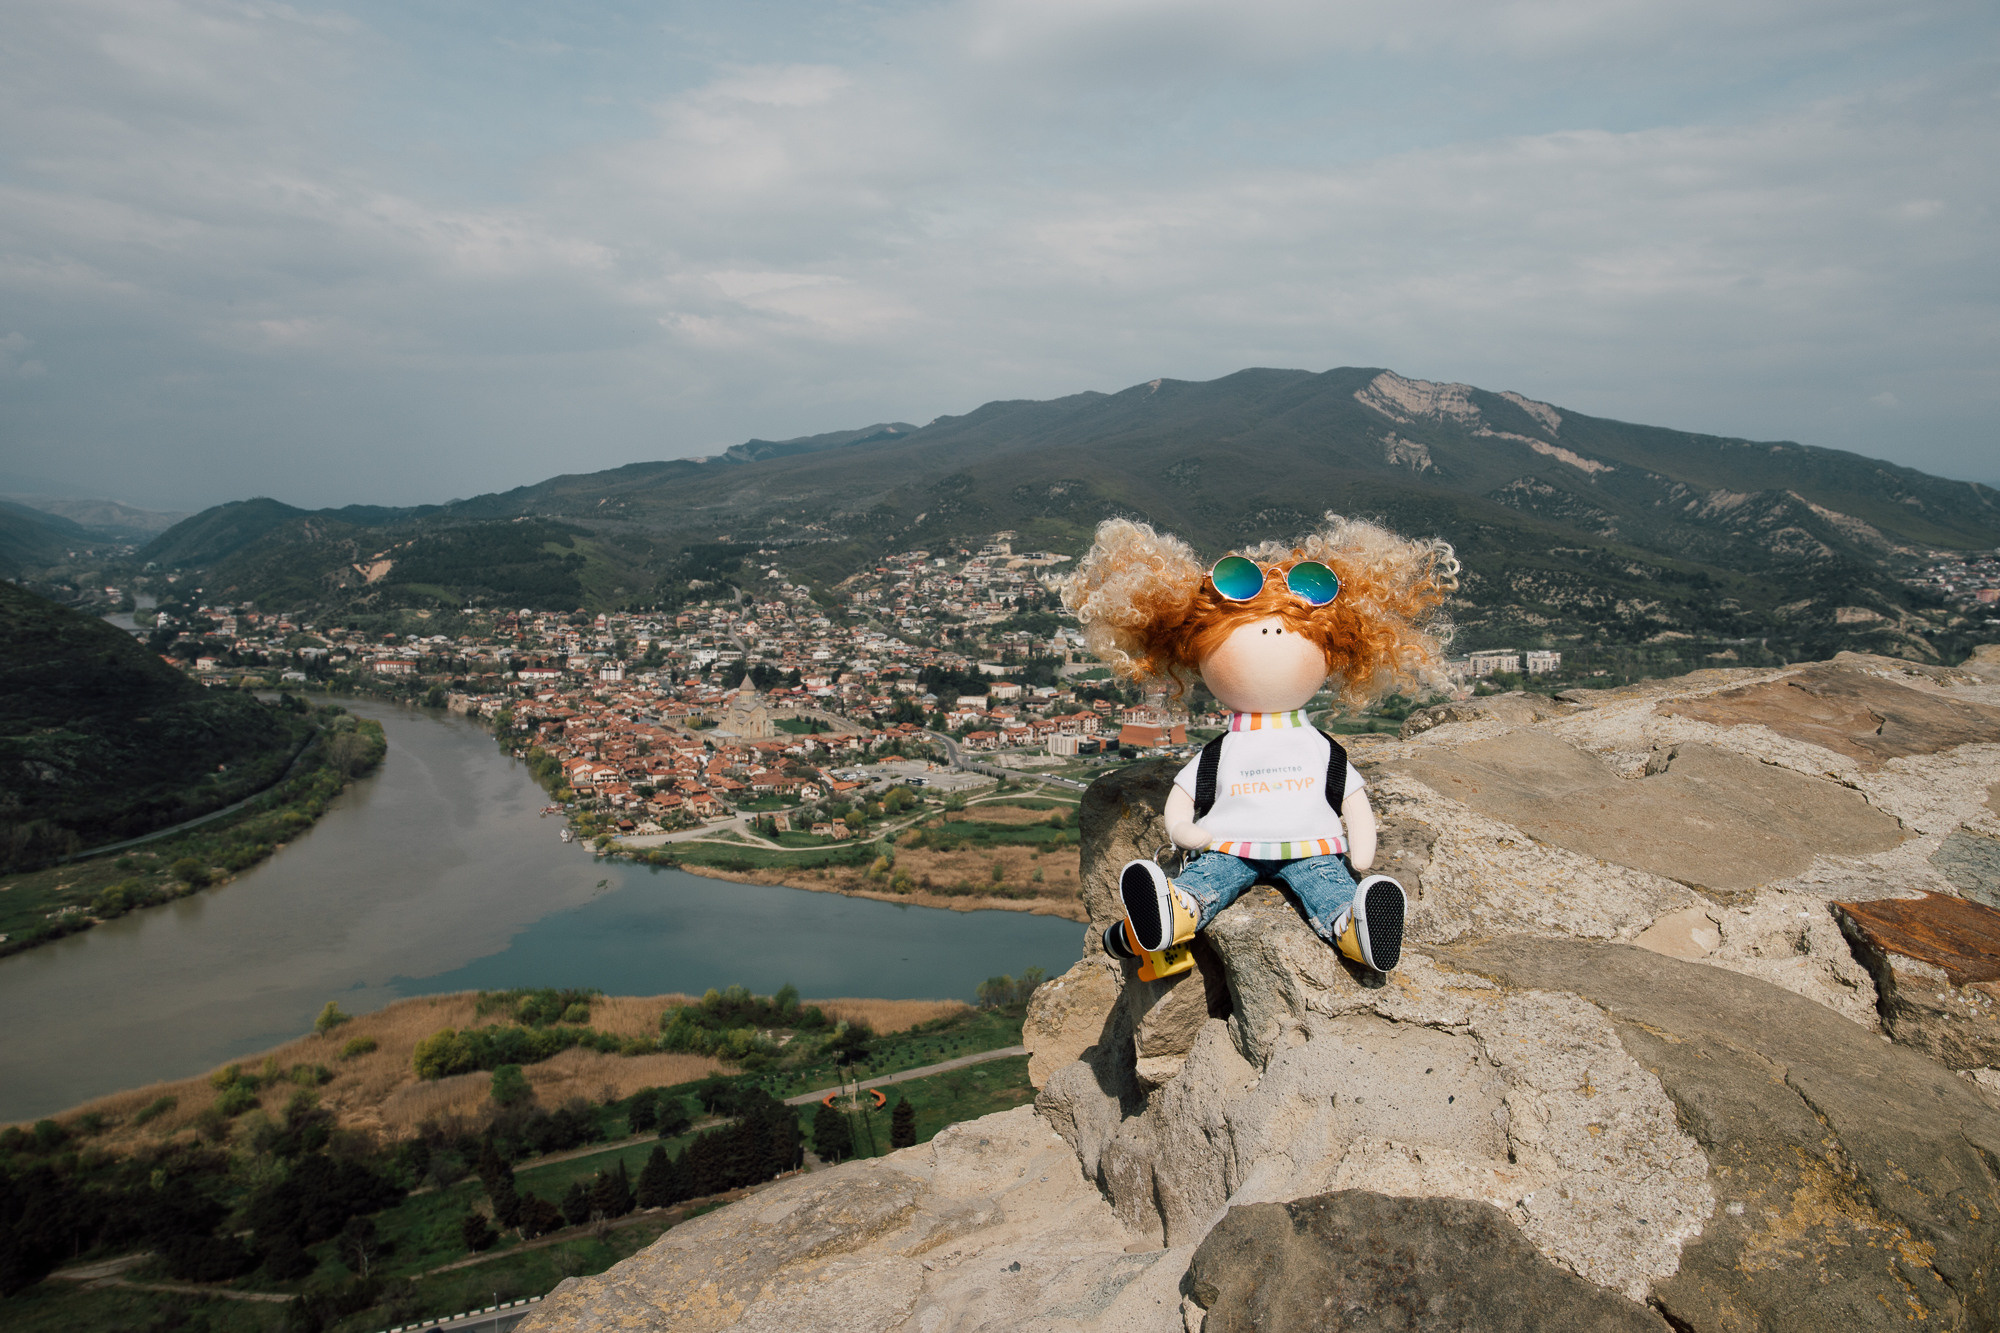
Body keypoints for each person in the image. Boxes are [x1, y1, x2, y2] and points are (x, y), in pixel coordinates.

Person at [1059, 515, 1458, 976]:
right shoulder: (1255, 748)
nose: (1271, 635)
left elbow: (1350, 796)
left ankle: (1357, 929)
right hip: (1243, 845)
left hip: (1295, 845)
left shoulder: (1297, 746)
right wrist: (1183, 829)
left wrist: (1362, 844)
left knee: (1269, 884)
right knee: (1244, 881)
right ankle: (1173, 913)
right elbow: (1188, 797)